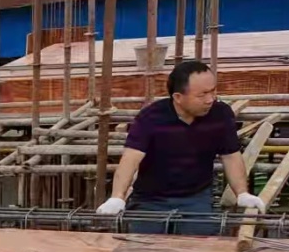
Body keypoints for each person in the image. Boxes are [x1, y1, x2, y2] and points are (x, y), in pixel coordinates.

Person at [95, 59, 266, 235]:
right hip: (151, 199)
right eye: (202, 95)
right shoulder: (151, 117)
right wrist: (117, 197)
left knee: (197, 249)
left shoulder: (220, 115)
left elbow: (230, 156)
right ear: (178, 97)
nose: (210, 100)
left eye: (213, 91)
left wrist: (242, 194)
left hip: (196, 197)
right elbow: (130, 159)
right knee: (141, 249)